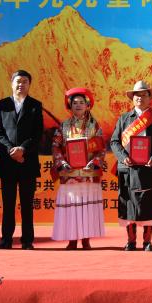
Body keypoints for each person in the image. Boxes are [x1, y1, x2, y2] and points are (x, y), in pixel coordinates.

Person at [110, 80, 152, 251]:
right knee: (128, 204)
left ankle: (147, 241)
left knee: (149, 204)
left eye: (144, 95)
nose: (140, 98)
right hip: (128, 169)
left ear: (150, 98)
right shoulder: (124, 118)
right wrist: (123, 157)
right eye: (137, 95)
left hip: (150, 168)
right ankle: (131, 241)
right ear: (132, 98)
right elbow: (114, 141)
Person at [51, 88, 107, 249]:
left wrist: (94, 162)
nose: (78, 105)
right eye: (74, 103)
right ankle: (72, 239)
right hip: (69, 173)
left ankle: (86, 239)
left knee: (87, 206)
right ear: (70, 106)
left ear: (87, 105)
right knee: (72, 206)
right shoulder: (63, 126)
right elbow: (55, 146)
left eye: (81, 102)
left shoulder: (94, 125)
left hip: (88, 173)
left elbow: (101, 148)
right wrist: (62, 163)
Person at [0, 70, 44, 250]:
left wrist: (23, 149)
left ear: (29, 85)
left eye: (25, 81)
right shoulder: (2, 105)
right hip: (8, 162)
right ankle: (6, 239)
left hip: (27, 162)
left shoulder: (35, 105)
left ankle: (27, 240)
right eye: (18, 81)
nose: (21, 84)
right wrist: (10, 149)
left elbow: (37, 134)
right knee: (8, 204)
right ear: (11, 83)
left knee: (27, 204)